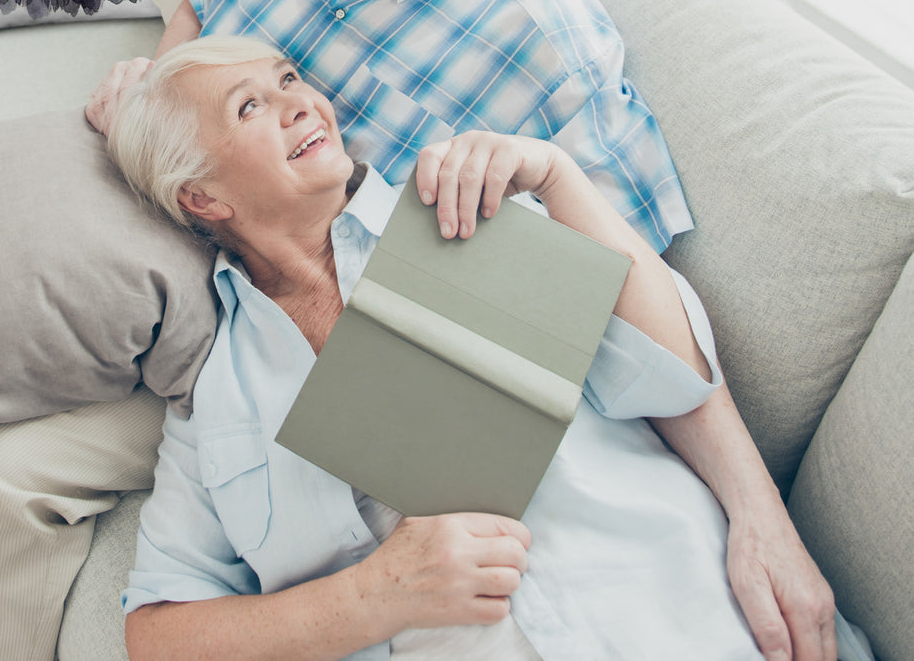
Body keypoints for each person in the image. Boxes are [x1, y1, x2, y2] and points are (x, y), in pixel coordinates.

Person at [89, 0, 836, 660]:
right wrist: (162, 104)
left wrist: (758, 516)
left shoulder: (530, 108)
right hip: (193, 280)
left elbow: (644, 332)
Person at [107, 36, 861, 661]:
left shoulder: (462, 209)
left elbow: (673, 376)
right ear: (202, 197)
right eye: (250, 106)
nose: (301, 101)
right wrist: (373, 597)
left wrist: (559, 178)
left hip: (686, 614)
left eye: (289, 79)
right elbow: (158, 634)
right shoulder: (216, 399)